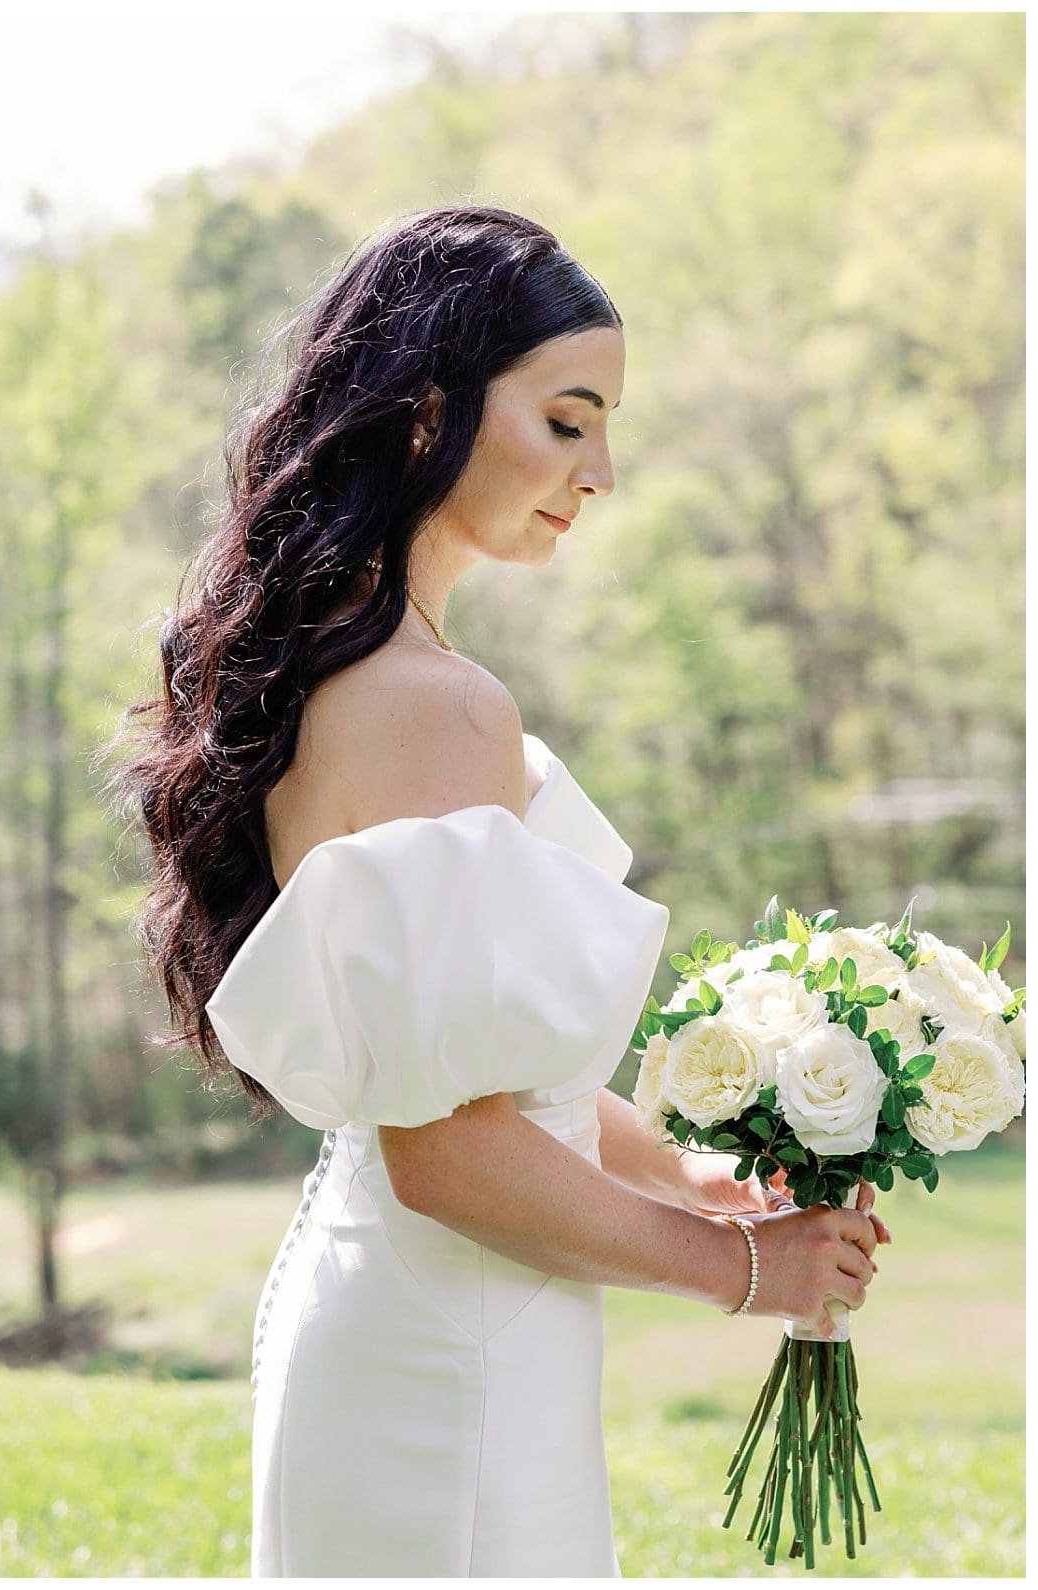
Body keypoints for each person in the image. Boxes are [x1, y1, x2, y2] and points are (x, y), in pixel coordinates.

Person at [114, 208, 891, 1576]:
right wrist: (746, 1271)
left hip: (425, 1315)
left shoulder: (354, 669)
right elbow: (450, 1155)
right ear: (429, 412)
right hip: (448, 1348)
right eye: (568, 418)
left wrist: (702, 1179)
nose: (602, 470)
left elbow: (473, 1088)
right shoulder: (433, 704)